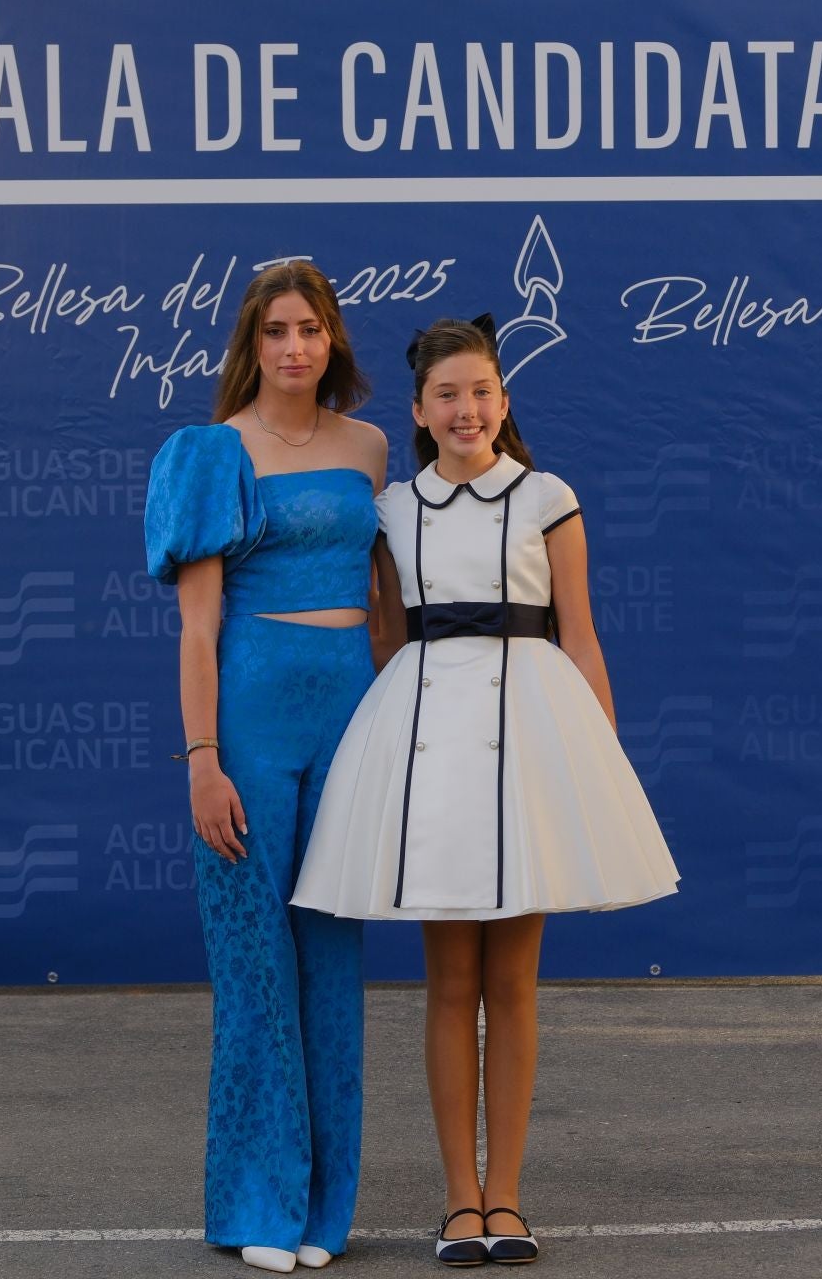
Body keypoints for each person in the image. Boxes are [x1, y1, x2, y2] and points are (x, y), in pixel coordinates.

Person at [292, 315, 680, 1267]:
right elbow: (383, 637)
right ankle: (457, 1203)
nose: (468, 409)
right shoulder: (391, 511)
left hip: (532, 743)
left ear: (505, 403)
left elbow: (580, 636)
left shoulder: (548, 497)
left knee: (512, 983)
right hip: (428, 744)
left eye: (483, 393)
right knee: (448, 982)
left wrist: (599, 756)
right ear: (421, 414)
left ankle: (506, 1199)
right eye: (448, 396)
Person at [144, 261, 388, 1275]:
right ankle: (259, 1199)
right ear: (254, 340)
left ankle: (324, 1211)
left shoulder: (372, 448)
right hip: (248, 712)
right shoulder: (213, 450)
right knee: (256, 967)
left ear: (333, 340)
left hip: (352, 714)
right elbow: (198, 627)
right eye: (279, 329)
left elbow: (391, 606)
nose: (296, 345)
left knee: (332, 962)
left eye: (313, 328)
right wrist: (202, 759)